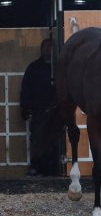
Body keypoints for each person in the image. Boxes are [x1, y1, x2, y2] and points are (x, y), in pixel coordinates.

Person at [20, 38, 59, 176]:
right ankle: (36, 167)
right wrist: (25, 107)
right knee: (37, 139)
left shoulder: (59, 67)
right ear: (41, 49)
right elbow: (26, 89)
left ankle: (54, 169)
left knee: (54, 140)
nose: (48, 50)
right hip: (38, 111)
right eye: (45, 47)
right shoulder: (34, 67)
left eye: (50, 47)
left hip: (55, 112)